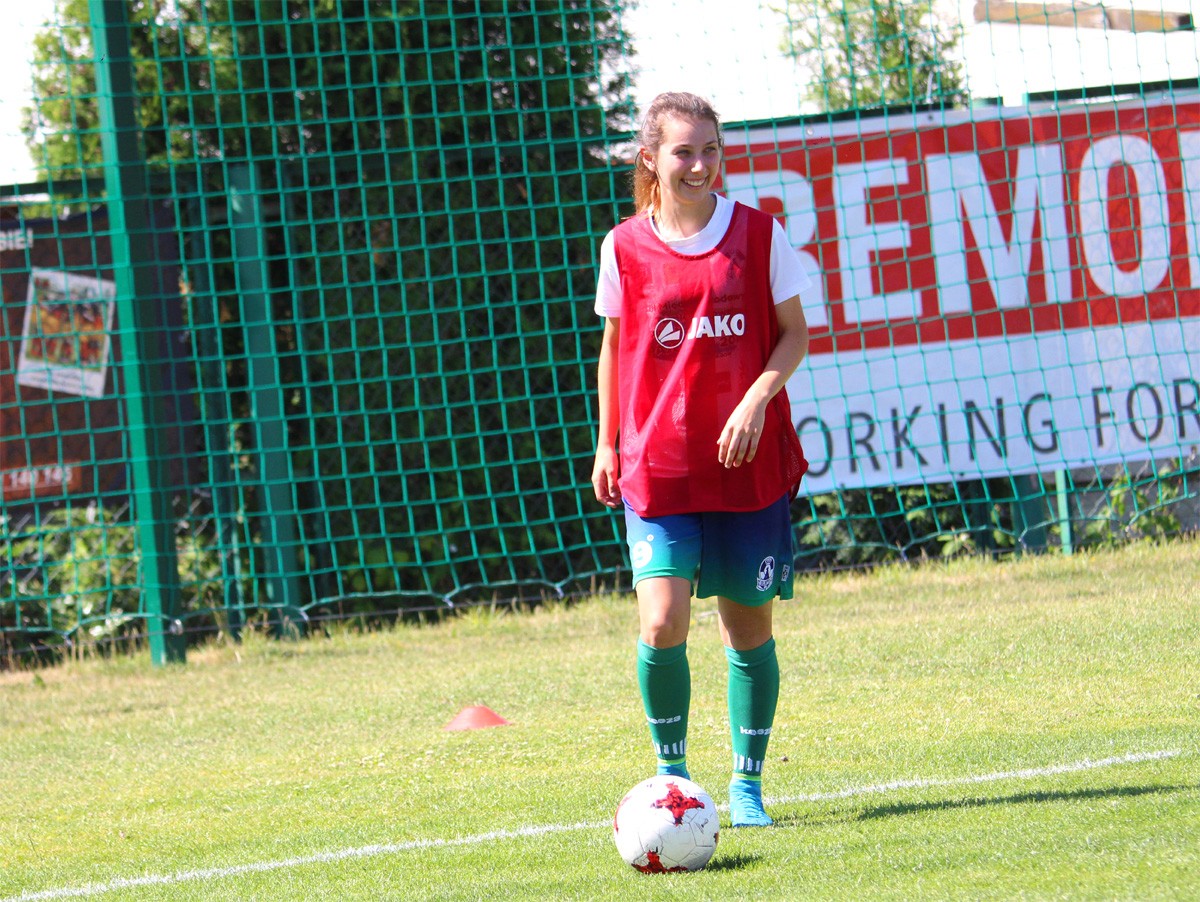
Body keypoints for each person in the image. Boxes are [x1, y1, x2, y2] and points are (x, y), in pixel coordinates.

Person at [591, 91, 811, 827]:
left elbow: (794, 334)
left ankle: (747, 788)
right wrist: (606, 441)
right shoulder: (624, 246)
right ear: (650, 158)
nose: (700, 165)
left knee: (747, 632)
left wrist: (755, 401)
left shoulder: (759, 234)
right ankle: (674, 782)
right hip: (659, 467)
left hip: (748, 471)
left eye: (710, 149)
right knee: (661, 623)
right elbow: (615, 347)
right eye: (684, 151)